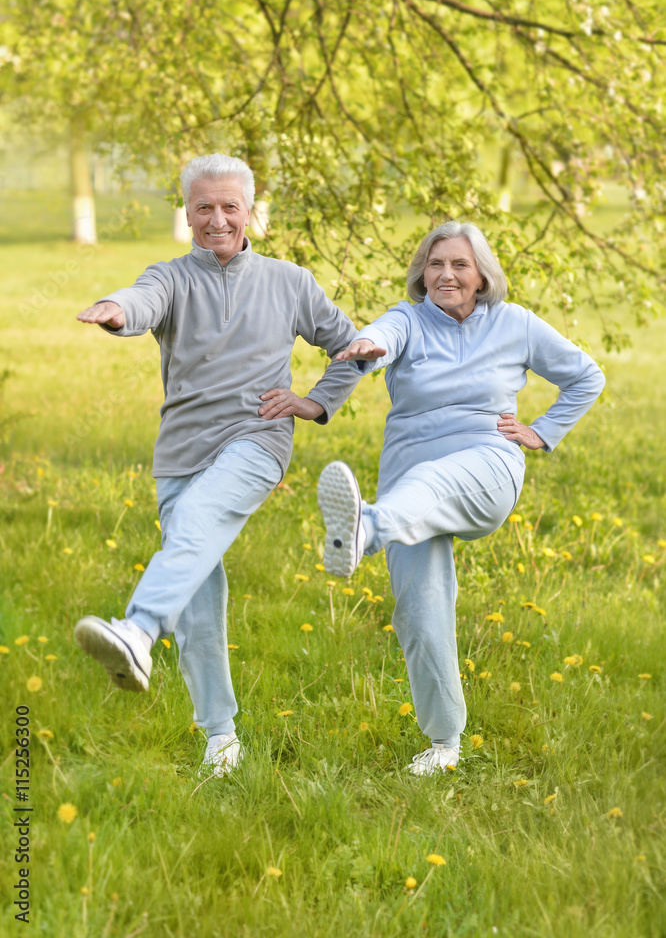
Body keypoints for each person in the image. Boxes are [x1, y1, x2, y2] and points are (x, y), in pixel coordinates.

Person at [74, 154, 359, 777]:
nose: (218, 219)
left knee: (197, 522)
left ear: (249, 211)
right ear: (187, 212)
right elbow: (142, 299)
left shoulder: (290, 281)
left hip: (256, 438)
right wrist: (115, 308)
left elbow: (353, 347)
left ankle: (139, 630)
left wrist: (315, 402)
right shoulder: (171, 277)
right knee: (198, 595)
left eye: (230, 206)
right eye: (204, 207)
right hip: (180, 451)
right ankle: (221, 738)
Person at [316, 220, 604, 776]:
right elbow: (384, 335)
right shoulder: (408, 319)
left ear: (482, 276)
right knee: (419, 611)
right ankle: (444, 742)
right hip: (404, 487)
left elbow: (586, 376)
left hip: (485, 466)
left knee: (433, 482)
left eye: (459, 265)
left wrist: (542, 431)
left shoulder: (515, 323)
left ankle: (362, 531)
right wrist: (370, 345)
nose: (446, 274)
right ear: (422, 274)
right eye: (435, 264)